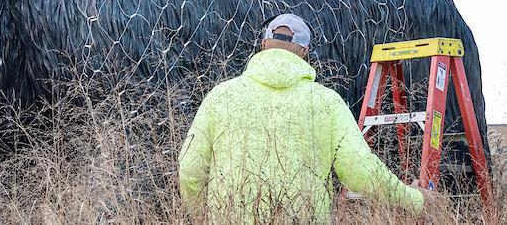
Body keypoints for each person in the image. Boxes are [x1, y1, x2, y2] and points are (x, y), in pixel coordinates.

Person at [177, 13, 426, 223]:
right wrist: (415, 199)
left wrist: (203, 215)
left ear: (263, 45)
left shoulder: (221, 96)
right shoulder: (326, 102)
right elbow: (360, 170)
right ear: (305, 52)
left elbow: (190, 167)